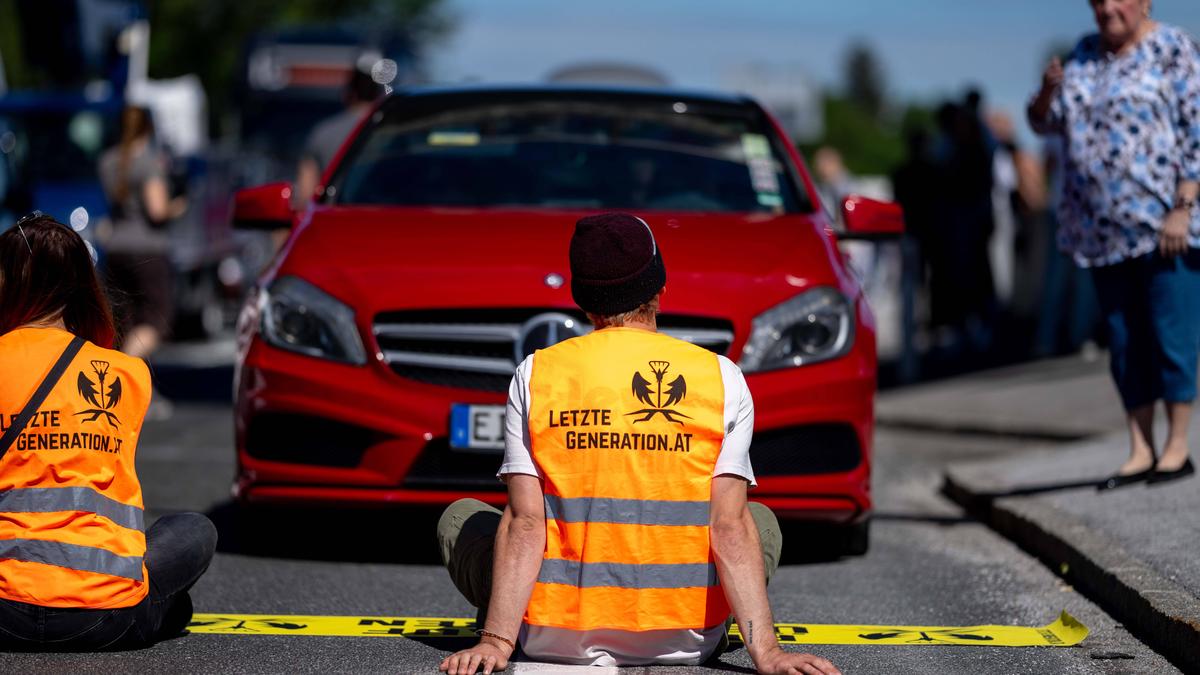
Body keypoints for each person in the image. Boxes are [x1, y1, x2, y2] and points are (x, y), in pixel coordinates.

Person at [435, 213, 840, 675]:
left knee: (461, 518)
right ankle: (728, 623)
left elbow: (525, 522)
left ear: (584, 300)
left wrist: (496, 641)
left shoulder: (537, 373)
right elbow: (728, 528)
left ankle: (506, 618)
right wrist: (767, 652)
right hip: (688, 638)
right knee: (756, 519)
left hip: (552, 635)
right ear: (659, 287)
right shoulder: (721, 378)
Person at [0, 214, 216, 649]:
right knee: (195, 529)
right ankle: (153, 610)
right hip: (107, 614)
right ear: (82, 286)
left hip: (5, 608)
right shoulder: (128, 373)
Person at [1028, 0, 1200, 488]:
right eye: (1097, 1)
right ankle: (1140, 447)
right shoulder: (1081, 56)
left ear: (1144, 2)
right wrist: (1045, 92)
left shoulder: (1173, 48)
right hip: (1100, 233)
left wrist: (1183, 207)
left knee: (1171, 336)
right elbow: (1044, 123)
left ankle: (1177, 446)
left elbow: (1198, 132)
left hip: (1165, 228)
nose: (1106, 9)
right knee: (1125, 344)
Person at [97, 105, 185, 417]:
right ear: (148, 129)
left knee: (128, 319)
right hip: (148, 248)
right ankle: (121, 378)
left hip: (117, 246)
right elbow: (157, 210)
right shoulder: (149, 162)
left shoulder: (108, 161)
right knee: (157, 319)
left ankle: (137, 387)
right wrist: (180, 205)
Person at [293, 68, 383, 210]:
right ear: (379, 95)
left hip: (334, 218)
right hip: (384, 216)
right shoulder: (393, 133)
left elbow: (305, 195)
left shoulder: (323, 133)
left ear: (349, 94)